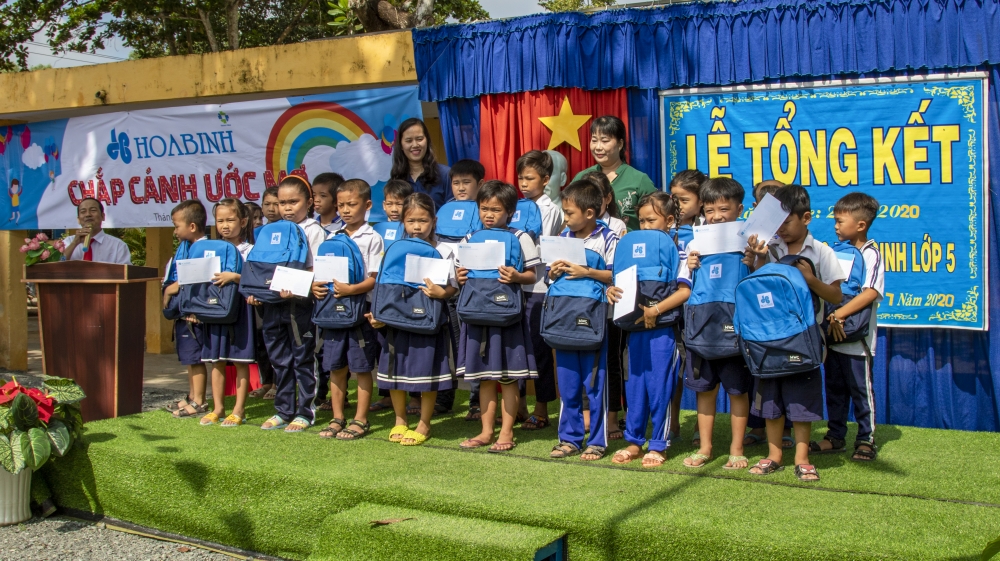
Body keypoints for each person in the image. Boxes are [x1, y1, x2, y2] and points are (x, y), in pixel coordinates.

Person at [743, 185, 846, 481]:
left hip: (805, 338)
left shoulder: (822, 251)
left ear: (807, 218)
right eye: (776, 223)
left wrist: (810, 279)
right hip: (768, 339)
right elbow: (760, 289)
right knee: (772, 400)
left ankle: (802, 457)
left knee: (802, 400)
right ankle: (774, 455)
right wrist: (759, 259)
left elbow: (836, 296)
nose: (781, 229)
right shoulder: (770, 249)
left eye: (787, 222)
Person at [608, 192, 691, 468]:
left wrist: (656, 310)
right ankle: (633, 441)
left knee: (660, 386)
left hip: (664, 331)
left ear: (669, 221)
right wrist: (611, 291)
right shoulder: (629, 246)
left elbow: (683, 291)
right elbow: (619, 279)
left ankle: (658, 443)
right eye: (641, 221)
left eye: (651, 220)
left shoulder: (680, 250)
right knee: (635, 387)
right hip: (634, 329)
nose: (644, 226)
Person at [457, 181, 539, 453]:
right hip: (477, 315)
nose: (489, 214)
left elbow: (533, 275)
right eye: (484, 208)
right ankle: (485, 431)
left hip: (508, 316)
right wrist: (459, 277)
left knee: (508, 376)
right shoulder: (469, 238)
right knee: (485, 376)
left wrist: (516, 276)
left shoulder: (521, 237)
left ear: (511, 212)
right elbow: (459, 274)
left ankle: (506, 433)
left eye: (496, 209)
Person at [369, 193, 458, 445]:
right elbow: (383, 286)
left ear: (434, 220)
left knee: (427, 372)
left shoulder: (444, 249)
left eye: (423, 220)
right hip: (397, 321)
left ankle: (424, 423)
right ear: (402, 222)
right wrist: (379, 314)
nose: (417, 227)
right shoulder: (393, 248)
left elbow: (452, 286)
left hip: (429, 320)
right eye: (411, 221)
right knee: (394, 371)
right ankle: (399, 419)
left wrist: (443, 293)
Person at [682, 178, 752, 470]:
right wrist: (690, 264)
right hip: (701, 328)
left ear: (739, 208)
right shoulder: (694, 243)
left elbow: (761, 276)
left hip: (734, 327)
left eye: (724, 208)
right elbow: (684, 284)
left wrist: (754, 259)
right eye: (710, 210)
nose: (717, 216)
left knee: (737, 391)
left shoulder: (750, 241)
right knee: (705, 391)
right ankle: (705, 447)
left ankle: (737, 448)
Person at [547, 181, 617, 461]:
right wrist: (552, 272)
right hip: (562, 316)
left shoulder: (609, 238)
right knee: (568, 383)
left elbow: (616, 275)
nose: (565, 219)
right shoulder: (562, 236)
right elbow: (548, 278)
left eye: (569, 213)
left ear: (590, 213)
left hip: (593, 318)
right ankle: (570, 438)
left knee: (595, 382)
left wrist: (586, 271)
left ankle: (597, 440)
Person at [253, 175, 327, 433]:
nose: (286, 208)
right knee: (279, 359)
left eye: (293, 202)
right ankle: (283, 410)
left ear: (308, 203)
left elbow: (316, 271)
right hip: (273, 304)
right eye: (281, 202)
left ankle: (306, 411)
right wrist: (254, 291)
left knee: (302, 358)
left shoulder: (313, 231)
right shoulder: (268, 231)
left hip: (300, 306)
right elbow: (259, 269)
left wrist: (294, 287)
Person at [813, 192, 884, 462]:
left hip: (857, 339)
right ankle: (835, 436)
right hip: (833, 337)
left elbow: (869, 292)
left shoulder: (872, 255)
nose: (836, 226)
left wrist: (839, 313)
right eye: (835, 220)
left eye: (841, 221)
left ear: (861, 225)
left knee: (861, 391)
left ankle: (866, 439)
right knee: (834, 388)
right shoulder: (834, 251)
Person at [311, 179, 383, 440]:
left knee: (361, 367)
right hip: (332, 311)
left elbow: (375, 277)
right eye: (341, 205)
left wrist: (353, 290)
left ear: (367, 205)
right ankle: (337, 417)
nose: (345, 210)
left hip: (360, 310)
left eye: (351, 205)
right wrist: (316, 287)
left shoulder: (373, 238)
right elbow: (320, 273)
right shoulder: (331, 236)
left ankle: (360, 419)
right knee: (335, 367)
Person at [433, 159, 486, 419]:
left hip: (472, 291)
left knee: (471, 347)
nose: (461, 188)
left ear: (480, 184)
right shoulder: (443, 210)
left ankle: (476, 400)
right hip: (444, 289)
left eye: (467, 182)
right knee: (447, 347)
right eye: (456, 183)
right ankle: (444, 397)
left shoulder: (484, 210)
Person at [199, 198, 255, 427]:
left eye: (230, 220)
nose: (225, 225)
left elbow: (257, 279)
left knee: (240, 361)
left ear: (242, 221)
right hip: (214, 310)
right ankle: (218, 408)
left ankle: (239, 409)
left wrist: (235, 277)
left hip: (241, 310)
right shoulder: (210, 250)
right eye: (220, 220)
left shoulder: (250, 250)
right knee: (216, 361)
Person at [517, 150, 562, 431]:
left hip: (538, 287)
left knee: (539, 350)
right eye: (520, 178)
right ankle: (518, 405)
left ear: (545, 180)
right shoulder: (516, 206)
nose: (523, 183)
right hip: (513, 285)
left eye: (529, 178)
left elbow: (539, 249)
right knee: (516, 349)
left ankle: (542, 408)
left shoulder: (550, 209)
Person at [744, 179, 791, 449]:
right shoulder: (746, 236)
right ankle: (758, 426)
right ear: (755, 207)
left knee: (786, 371)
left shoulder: (789, 239)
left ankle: (786, 427)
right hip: (756, 317)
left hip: (785, 317)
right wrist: (752, 259)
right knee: (757, 373)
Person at [580, 170, 625, 438]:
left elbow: (615, 271)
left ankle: (612, 417)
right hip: (579, 306)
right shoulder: (568, 231)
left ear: (605, 199)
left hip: (608, 306)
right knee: (585, 362)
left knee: (611, 362)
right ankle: (585, 415)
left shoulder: (615, 228)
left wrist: (584, 270)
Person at [666, 169, 706, 445]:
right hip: (669, 309)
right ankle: (673, 423)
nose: (677, 205)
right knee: (673, 369)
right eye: (673, 198)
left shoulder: (710, 230)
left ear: (701, 200)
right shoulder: (663, 229)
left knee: (700, 369)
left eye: (683, 199)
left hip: (701, 311)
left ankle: (701, 430)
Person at [163, 200, 209, 419]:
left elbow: (198, 281)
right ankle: (192, 396)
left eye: (176, 225)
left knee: (195, 357)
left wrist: (172, 290)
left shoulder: (204, 249)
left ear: (192, 226)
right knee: (188, 357)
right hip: (183, 313)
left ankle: (199, 401)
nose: (174, 231)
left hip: (193, 313)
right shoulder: (186, 248)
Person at [572, 115, 656, 232]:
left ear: (620, 144)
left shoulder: (639, 180)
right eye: (594, 140)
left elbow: (656, 218)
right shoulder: (581, 177)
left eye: (605, 141)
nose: (598, 147)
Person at [243, 201, 275, 400]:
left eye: (258, 219)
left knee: (272, 341)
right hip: (249, 300)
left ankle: (277, 383)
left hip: (268, 296)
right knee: (260, 343)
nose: (256, 223)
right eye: (252, 219)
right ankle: (266, 381)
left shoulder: (267, 240)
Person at [390, 118, 450, 211]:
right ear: (401, 145)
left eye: (419, 139)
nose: (415, 145)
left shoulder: (445, 174)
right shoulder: (396, 178)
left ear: (427, 141)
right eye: (409, 140)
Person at [62, 198, 132, 264]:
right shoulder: (68, 242)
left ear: (103, 216)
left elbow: (125, 273)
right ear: (78, 220)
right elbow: (58, 263)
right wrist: (74, 243)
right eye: (83, 212)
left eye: (93, 210)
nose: (88, 214)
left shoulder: (118, 246)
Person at [372, 179, 414, 246]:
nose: (394, 209)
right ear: (384, 205)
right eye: (389, 204)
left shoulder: (413, 229)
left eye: (399, 204)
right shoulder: (376, 228)